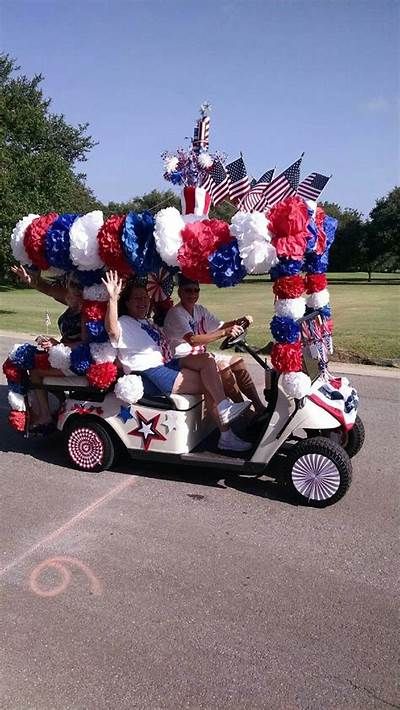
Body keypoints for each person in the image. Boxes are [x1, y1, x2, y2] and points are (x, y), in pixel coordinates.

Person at [102, 271, 252, 452]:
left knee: (206, 360)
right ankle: (226, 433)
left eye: (145, 298)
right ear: (126, 302)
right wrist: (112, 298)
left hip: (167, 363)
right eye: (137, 299)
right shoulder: (124, 322)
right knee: (211, 383)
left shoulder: (146, 322)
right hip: (150, 373)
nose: (142, 302)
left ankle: (224, 411)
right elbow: (111, 330)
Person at [163, 274, 266, 416]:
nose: (192, 294)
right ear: (180, 292)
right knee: (223, 367)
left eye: (196, 290)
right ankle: (245, 414)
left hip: (200, 357)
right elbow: (193, 340)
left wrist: (239, 321)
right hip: (182, 359)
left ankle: (259, 408)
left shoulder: (199, 310)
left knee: (238, 362)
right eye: (188, 290)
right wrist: (224, 332)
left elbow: (220, 325)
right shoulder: (176, 313)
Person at [11, 265, 86, 432]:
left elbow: (86, 344)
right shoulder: (70, 298)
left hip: (78, 360)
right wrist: (31, 280)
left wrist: (57, 344)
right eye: (74, 284)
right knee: (23, 358)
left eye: (82, 286)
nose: (78, 289)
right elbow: (46, 288)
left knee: (35, 372)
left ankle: (45, 415)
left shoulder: (87, 309)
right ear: (68, 283)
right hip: (64, 353)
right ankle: (55, 406)